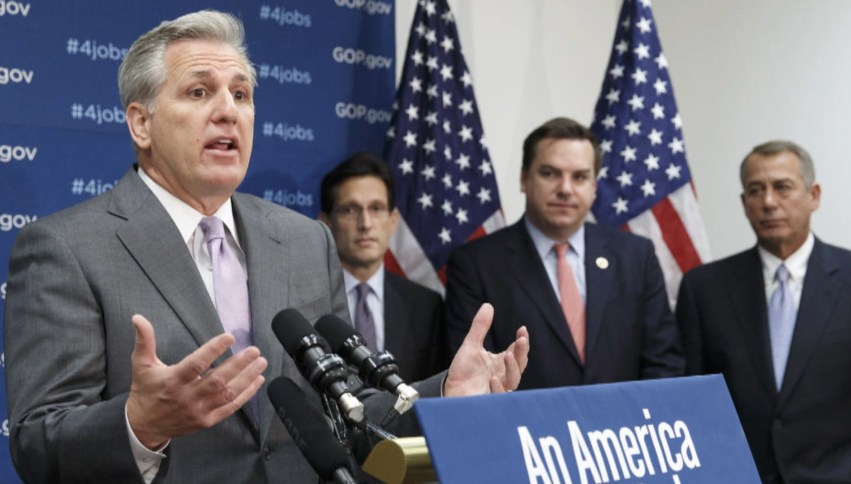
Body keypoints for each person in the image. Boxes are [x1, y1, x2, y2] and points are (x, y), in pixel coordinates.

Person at [3, 11, 529, 483]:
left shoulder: (304, 240)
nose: (227, 111)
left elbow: (346, 405)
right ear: (142, 123)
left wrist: (445, 393)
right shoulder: (67, 248)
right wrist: (140, 423)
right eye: (199, 92)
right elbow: (36, 443)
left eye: (241, 94)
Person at [445, 117, 683, 390]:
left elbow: (664, 364)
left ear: (594, 187)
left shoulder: (637, 256)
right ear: (524, 179)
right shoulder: (475, 264)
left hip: (624, 418)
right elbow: (475, 378)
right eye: (550, 173)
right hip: (525, 418)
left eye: (579, 177)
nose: (565, 189)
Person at [676, 140, 851, 483]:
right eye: (756, 190)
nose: (769, 202)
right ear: (744, 204)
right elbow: (690, 401)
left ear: (813, 195)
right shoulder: (704, 290)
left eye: (782, 187)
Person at [319, 153, 449, 382]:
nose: (365, 224)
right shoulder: (307, 301)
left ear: (392, 221)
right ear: (326, 223)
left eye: (376, 208)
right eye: (350, 210)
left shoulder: (426, 307)